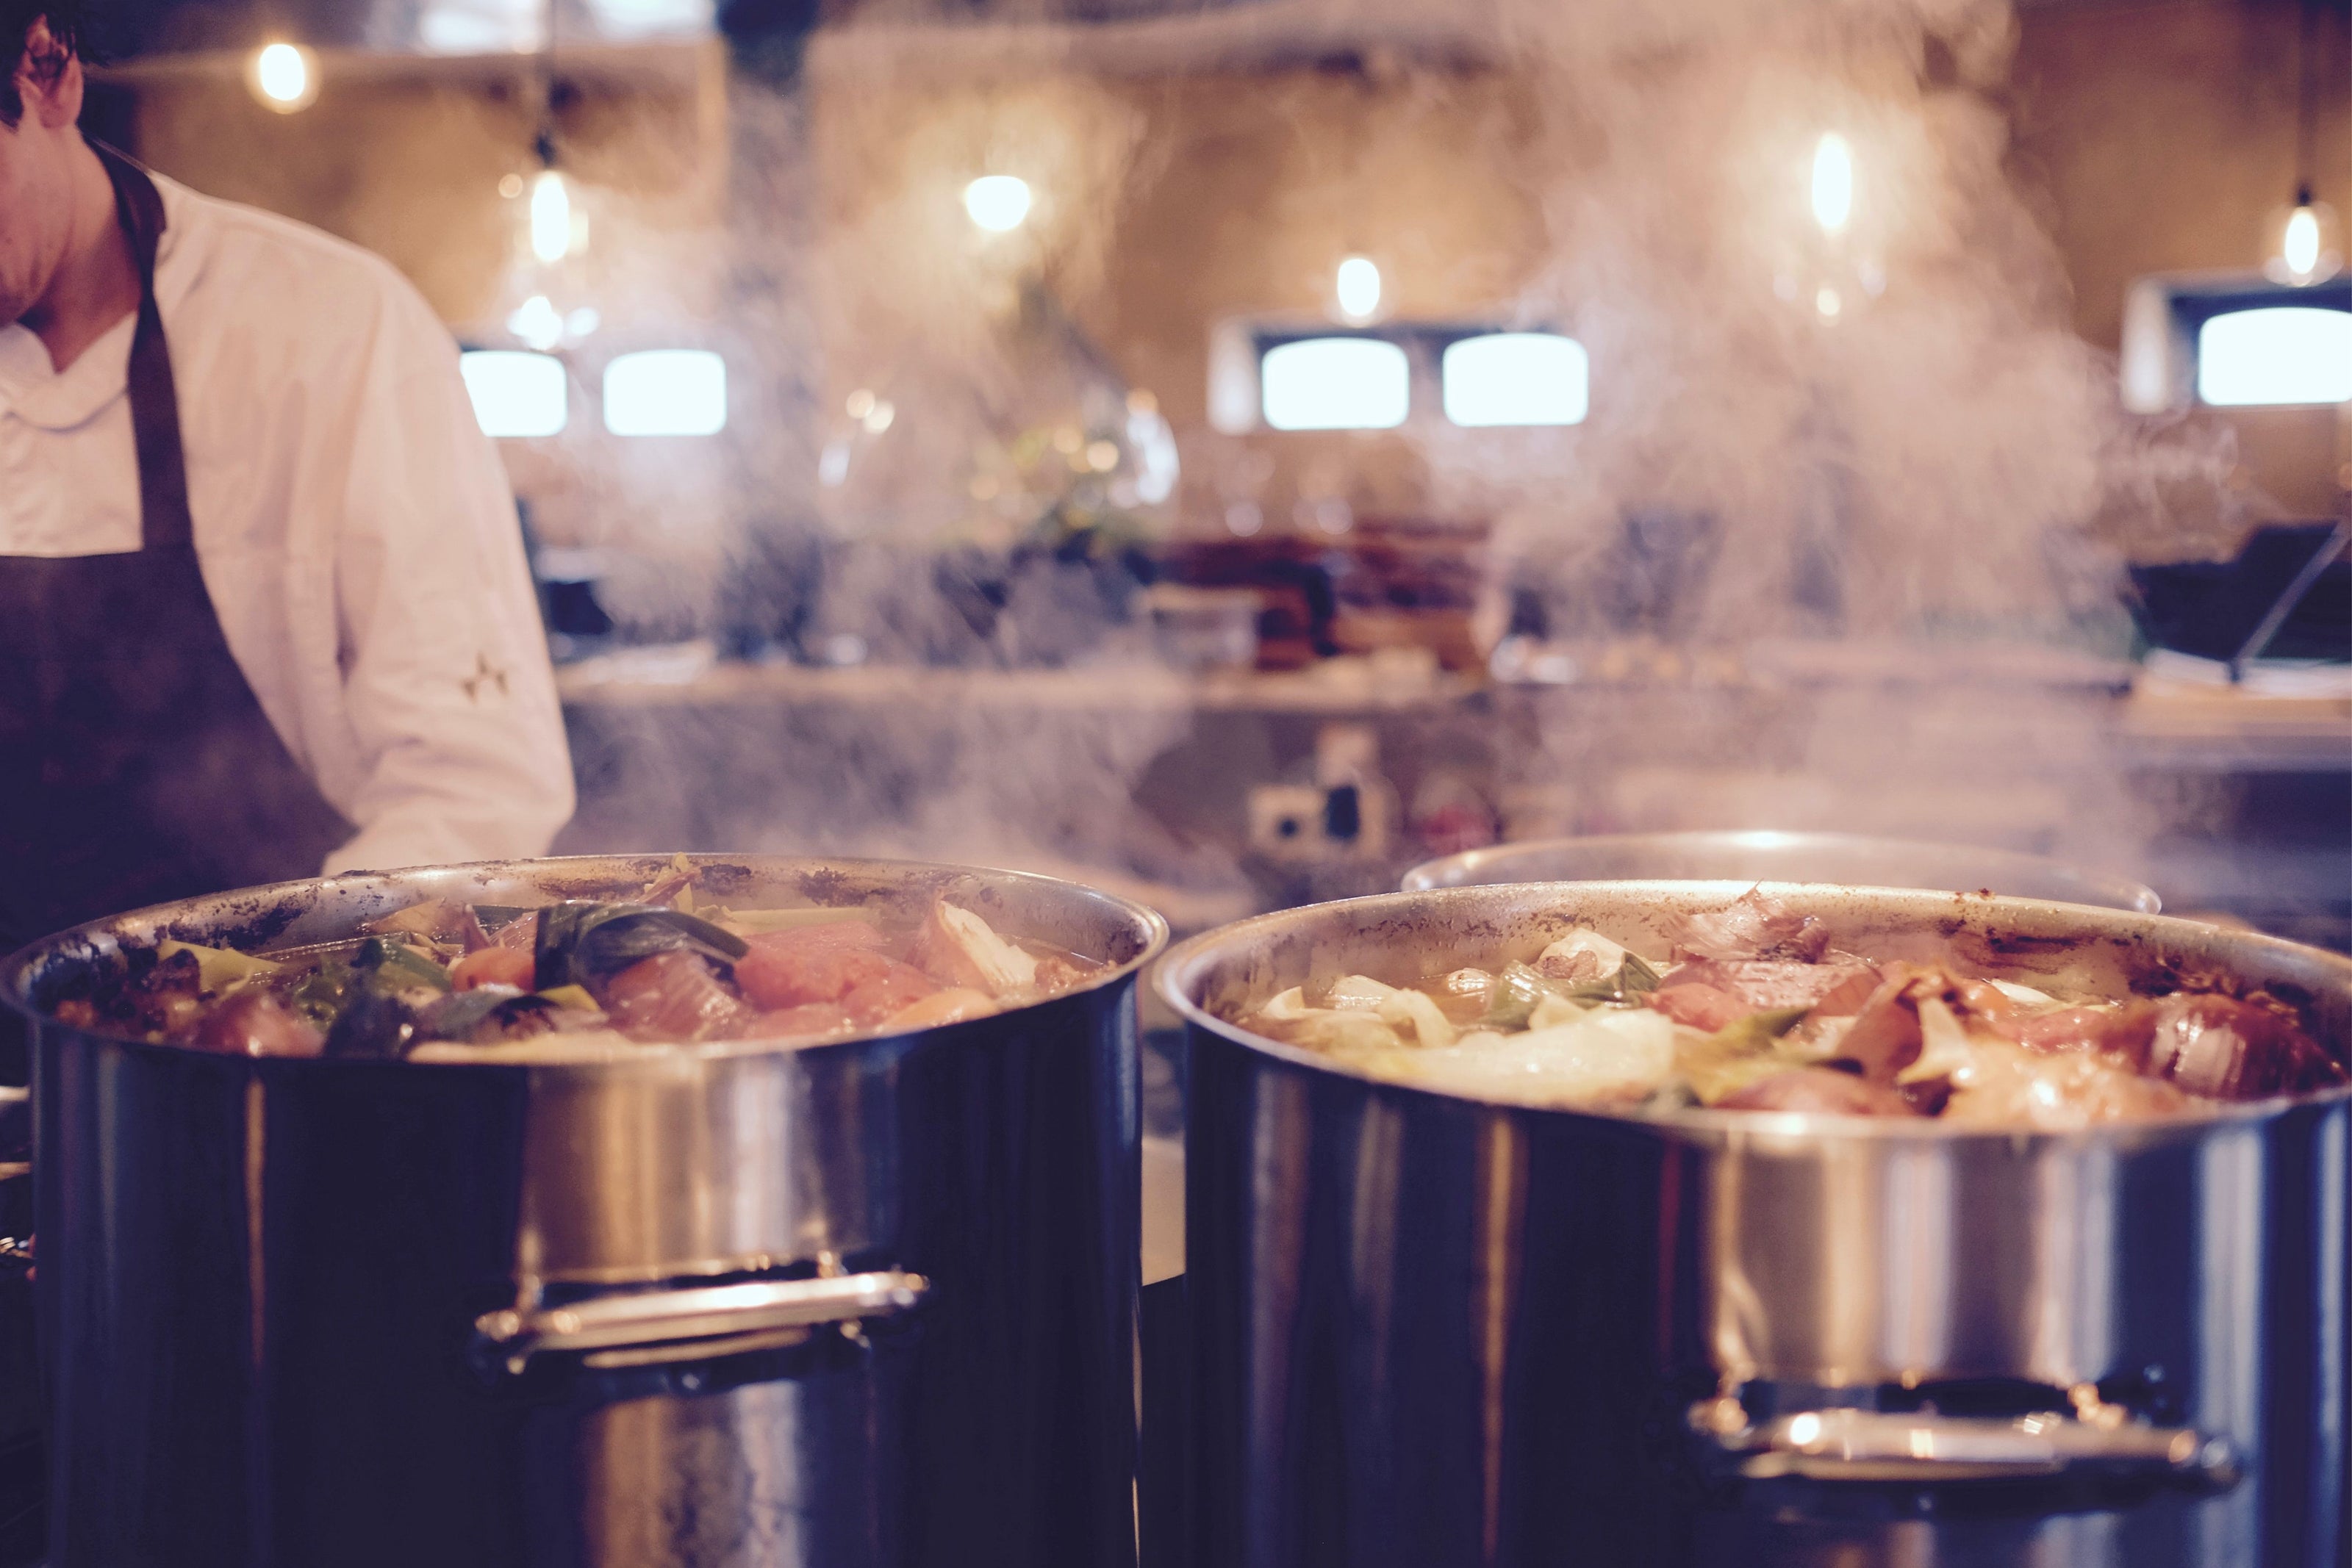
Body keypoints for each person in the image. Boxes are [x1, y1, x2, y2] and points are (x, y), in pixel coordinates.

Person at [0, 3, 573, 953]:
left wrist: (273, 1002)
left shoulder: (332, 332)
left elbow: (475, 786)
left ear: (48, 70)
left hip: (257, 1058)